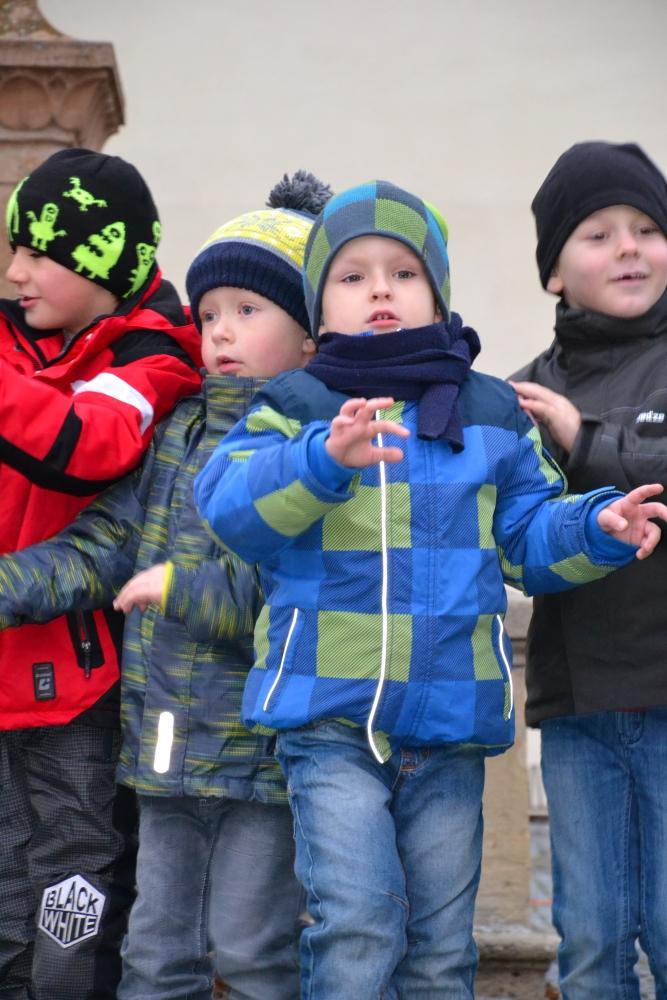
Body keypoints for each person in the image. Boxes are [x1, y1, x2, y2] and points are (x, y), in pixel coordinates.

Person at [193, 179, 667, 1000]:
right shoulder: (296, 405)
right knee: (357, 922)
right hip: (330, 720)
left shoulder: (489, 410)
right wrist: (320, 461)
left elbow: (525, 537)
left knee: (442, 949)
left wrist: (593, 527)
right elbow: (231, 510)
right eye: (353, 276)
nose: (380, 289)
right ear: (319, 309)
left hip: (450, 724)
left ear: (437, 292)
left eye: (404, 272)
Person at [0, 172, 331, 1000]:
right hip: (162, 753)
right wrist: (10, 583)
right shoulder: (178, 432)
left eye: (246, 311)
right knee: (153, 956)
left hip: (262, 757)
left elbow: (295, 596)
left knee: (250, 953)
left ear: (309, 336)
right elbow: (103, 543)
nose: (217, 332)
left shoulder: (324, 446)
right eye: (209, 312)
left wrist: (181, 588)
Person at [0, 147, 202, 1000]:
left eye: (38, 253)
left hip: (78, 686)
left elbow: (87, 443)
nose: (16, 271)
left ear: (106, 263)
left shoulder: (155, 358)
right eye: (13, 248)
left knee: (71, 882)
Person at [511, 141, 667, 1000]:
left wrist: (584, 440)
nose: (629, 249)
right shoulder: (525, 392)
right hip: (577, 711)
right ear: (553, 272)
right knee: (591, 944)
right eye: (598, 234)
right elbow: (497, 518)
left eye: (646, 228)